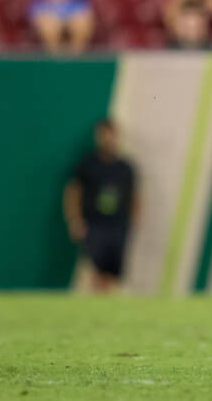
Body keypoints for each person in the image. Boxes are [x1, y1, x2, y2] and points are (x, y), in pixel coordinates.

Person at [63, 119, 139, 293]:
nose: (107, 139)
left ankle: (106, 305)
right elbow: (73, 192)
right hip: (94, 224)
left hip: (118, 225)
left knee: (113, 272)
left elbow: (135, 195)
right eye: (103, 135)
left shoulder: (125, 167)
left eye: (110, 135)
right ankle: (95, 302)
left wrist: (133, 221)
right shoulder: (87, 164)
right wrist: (74, 220)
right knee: (94, 268)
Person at [28, 0, 95, 53]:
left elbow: (87, 18)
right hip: (50, 30)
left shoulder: (79, 1)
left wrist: (69, 22)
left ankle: (75, 57)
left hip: (73, 29)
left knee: (81, 23)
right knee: (50, 26)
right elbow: (37, 20)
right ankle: (55, 59)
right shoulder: (38, 3)